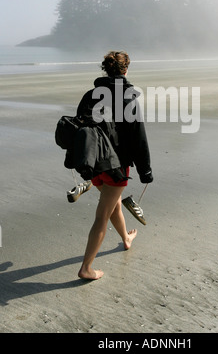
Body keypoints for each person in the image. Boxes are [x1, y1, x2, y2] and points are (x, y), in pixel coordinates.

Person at [76, 51, 153, 280]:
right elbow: (138, 136)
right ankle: (86, 268)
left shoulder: (91, 95)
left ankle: (126, 239)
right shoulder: (127, 96)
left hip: (95, 165)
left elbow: (81, 128)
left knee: (114, 203)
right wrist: (145, 170)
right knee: (103, 214)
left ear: (106, 70)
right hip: (115, 165)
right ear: (125, 70)